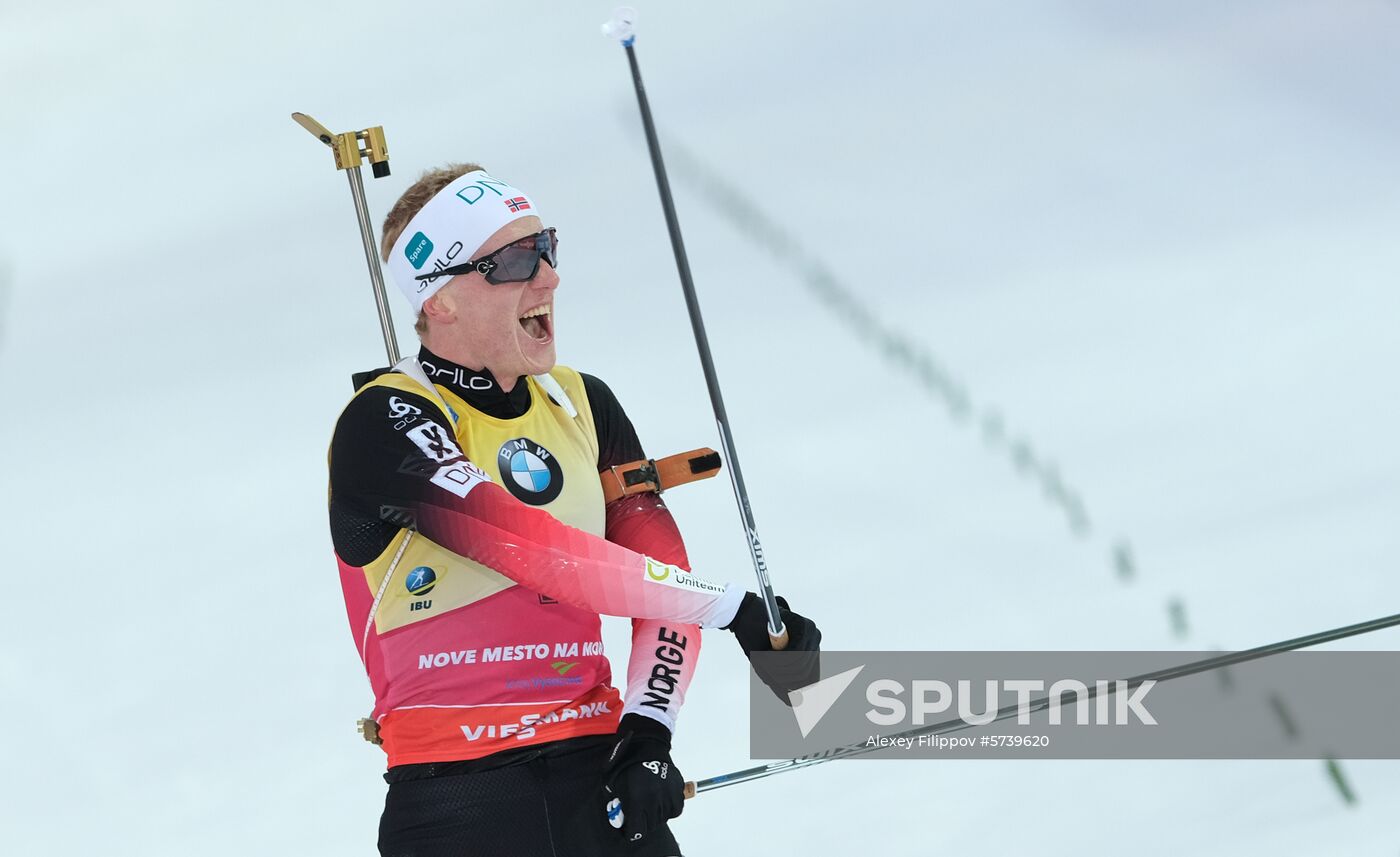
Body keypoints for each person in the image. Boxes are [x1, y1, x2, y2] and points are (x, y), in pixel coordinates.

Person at [327, 163, 822, 857]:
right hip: (458, 800)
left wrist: (648, 732)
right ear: (439, 300)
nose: (549, 276)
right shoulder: (387, 419)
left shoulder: (582, 403)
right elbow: (531, 547)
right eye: (515, 260)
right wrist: (732, 605)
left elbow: (659, 574)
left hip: (599, 775)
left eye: (548, 245)